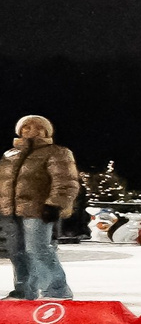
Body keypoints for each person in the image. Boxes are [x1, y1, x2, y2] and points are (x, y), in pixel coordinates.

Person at [4, 114, 79, 301]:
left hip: (39, 210)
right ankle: (24, 292)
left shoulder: (57, 152)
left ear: (47, 132)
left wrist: (55, 204)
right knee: (17, 252)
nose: (32, 131)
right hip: (10, 211)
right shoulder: (9, 155)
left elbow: (66, 181)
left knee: (38, 250)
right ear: (19, 131)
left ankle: (56, 291)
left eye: (39, 127)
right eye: (26, 127)